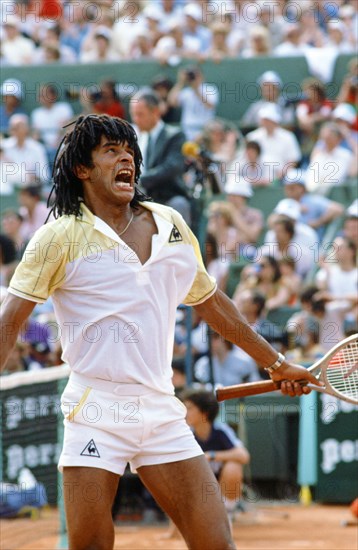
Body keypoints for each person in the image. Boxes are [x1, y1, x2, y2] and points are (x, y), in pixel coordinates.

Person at [0, 114, 320, 550]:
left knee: (215, 544)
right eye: (110, 151)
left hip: (161, 409)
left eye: (129, 150)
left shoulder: (169, 223)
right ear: (82, 169)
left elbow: (211, 302)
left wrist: (278, 363)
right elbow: (11, 320)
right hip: (95, 408)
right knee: (90, 546)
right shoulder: (58, 237)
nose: (125, 157)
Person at [181, 388, 250, 519]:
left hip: (220, 486)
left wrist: (212, 455)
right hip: (198, 488)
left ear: (204, 413)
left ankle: (226, 512)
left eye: (189, 408)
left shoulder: (220, 430)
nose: (185, 413)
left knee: (234, 466)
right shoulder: (185, 432)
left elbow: (243, 456)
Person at [129, 88, 191, 223]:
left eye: (140, 114)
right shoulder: (133, 139)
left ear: (156, 112)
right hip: (139, 199)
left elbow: (172, 167)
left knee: (179, 205)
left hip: (167, 198)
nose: (136, 119)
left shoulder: (175, 135)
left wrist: (138, 181)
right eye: (133, 115)